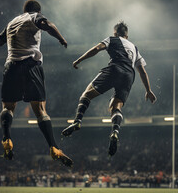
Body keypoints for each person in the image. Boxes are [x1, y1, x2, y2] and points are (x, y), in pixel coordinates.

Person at [0, 0, 73, 167]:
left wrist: (11, 37)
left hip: (11, 67)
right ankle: (53, 147)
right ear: (37, 10)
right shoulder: (34, 17)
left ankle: (6, 139)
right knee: (40, 110)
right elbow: (47, 25)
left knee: (7, 108)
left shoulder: (12, 22)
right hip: (30, 65)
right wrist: (61, 39)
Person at [62, 21, 157, 156]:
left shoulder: (112, 39)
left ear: (115, 33)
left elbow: (96, 49)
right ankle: (115, 132)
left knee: (86, 94)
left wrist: (79, 60)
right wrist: (148, 90)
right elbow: (142, 71)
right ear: (127, 36)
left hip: (115, 68)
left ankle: (77, 121)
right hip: (129, 76)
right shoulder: (135, 49)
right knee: (115, 107)